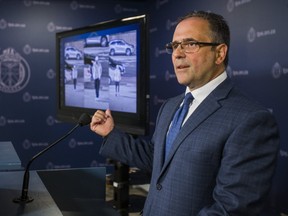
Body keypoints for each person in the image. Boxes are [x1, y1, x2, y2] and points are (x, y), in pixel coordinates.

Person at [90, 11, 280, 216]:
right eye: (174, 46)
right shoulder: (170, 106)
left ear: (219, 53)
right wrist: (111, 133)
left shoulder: (251, 120)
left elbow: (231, 209)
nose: (177, 54)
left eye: (190, 44)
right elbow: (157, 160)